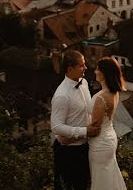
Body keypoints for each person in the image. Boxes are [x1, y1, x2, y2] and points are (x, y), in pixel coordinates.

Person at [51, 51, 100, 190]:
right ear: (70, 69)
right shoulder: (61, 95)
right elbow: (56, 127)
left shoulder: (83, 82)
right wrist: (84, 131)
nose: (85, 68)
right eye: (81, 65)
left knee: (83, 185)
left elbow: (87, 110)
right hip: (68, 151)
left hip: (84, 147)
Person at [87, 56, 128, 190]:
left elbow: (95, 127)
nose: (95, 72)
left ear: (105, 73)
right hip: (109, 137)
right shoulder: (114, 92)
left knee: (101, 181)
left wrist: (73, 132)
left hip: (100, 143)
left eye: (98, 69)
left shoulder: (101, 98)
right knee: (109, 177)